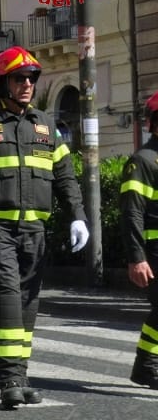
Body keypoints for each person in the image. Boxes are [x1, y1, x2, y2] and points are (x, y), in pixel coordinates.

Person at [0, 46, 88, 408]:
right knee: (8, 300)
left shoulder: (45, 126)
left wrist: (77, 215)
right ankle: (9, 379)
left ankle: (21, 375)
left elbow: (65, 177)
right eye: (19, 78)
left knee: (29, 304)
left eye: (31, 78)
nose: (27, 84)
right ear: (2, 83)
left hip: (35, 232)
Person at [122, 90, 158, 389]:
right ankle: (146, 365)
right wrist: (137, 257)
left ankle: (145, 366)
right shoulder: (143, 161)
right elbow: (132, 212)